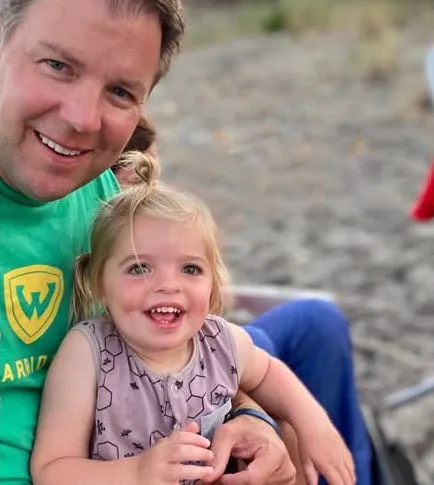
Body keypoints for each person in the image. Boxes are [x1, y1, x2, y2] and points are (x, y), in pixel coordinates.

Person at [0, 0, 371, 483]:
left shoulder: (97, 189)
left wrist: (250, 417)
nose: (83, 119)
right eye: (57, 65)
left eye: (120, 91)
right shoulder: (83, 352)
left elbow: (185, 353)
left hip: (168, 415)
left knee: (314, 326)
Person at [30, 151, 356, 485]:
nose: (168, 285)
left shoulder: (219, 341)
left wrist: (313, 424)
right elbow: (52, 469)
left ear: (213, 282)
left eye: (190, 269)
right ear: (99, 283)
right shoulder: (88, 354)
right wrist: (136, 472)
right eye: (139, 268)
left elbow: (269, 373)